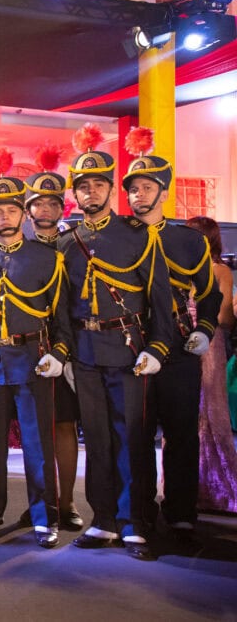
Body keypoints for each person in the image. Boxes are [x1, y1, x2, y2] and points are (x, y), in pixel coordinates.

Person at [58, 128, 173, 560]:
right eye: (83, 186)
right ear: (77, 193)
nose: (91, 192)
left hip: (128, 349)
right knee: (98, 439)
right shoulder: (67, 242)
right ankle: (103, 519)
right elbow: (62, 306)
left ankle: (136, 522)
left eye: (99, 185)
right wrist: (66, 352)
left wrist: (158, 347)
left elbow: (159, 295)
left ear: (110, 189)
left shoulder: (136, 234)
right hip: (85, 351)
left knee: (134, 437)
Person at [0, 176, 72, 549]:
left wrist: (59, 354)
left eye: (11, 210)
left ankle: (44, 516)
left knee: (37, 443)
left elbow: (61, 317)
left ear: (23, 213)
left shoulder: (47, 256)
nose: (4, 217)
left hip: (32, 359)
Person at [123, 150, 222, 537]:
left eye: (147, 187)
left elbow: (209, 295)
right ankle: (140, 511)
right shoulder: (120, 238)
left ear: (163, 193)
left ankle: (181, 509)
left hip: (180, 347)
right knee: (137, 434)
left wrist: (206, 329)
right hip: (133, 346)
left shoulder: (188, 240)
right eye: (132, 189)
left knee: (181, 432)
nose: (138, 195)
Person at [23, 169, 83, 530]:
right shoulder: (21, 250)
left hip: (68, 348)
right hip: (29, 351)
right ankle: (41, 501)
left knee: (64, 426)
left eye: (52, 203)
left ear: (62, 208)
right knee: (35, 428)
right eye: (38, 204)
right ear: (28, 211)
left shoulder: (75, 246)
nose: (45, 209)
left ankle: (67, 501)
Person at [186, 216, 237, 514]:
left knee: (210, 412)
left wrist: (198, 315)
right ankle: (185, 489)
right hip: (180, 346)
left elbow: (224, 320)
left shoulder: (220, 270)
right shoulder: (177, 271)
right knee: (184, 415)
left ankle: (219, 489)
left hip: (209, 346)